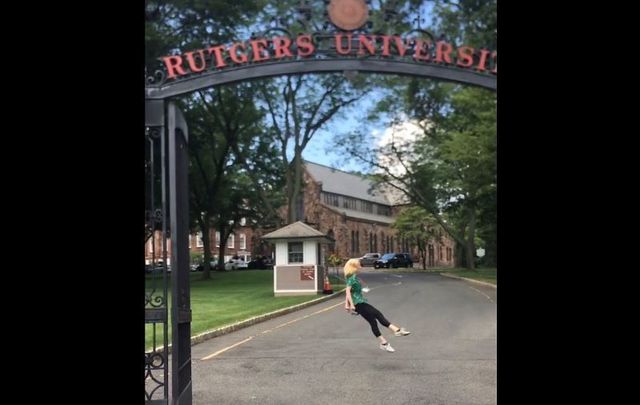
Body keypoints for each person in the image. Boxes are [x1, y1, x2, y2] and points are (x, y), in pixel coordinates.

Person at [344, 258, 411, 352]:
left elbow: (349, 292)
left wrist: (346, 305)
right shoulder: (351, 278)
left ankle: (384, 343)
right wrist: (350, 305)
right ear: (354, 266)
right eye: (359, 264)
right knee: (377, 314)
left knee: (373, 322)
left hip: (360, 302)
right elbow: (347, 292)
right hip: (358, 304)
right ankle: (397, 331)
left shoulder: (353, 277)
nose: (360, 266)